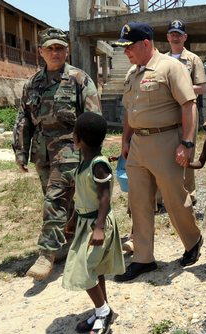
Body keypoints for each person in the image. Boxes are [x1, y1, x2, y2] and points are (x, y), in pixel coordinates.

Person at [113, 22, 203, 282]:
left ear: (146, 44)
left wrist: (186, 143)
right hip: (138, 145)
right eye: (124, 48)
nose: (126, 52)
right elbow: (130, 111)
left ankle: (192, 239)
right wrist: (125, 141)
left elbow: (189, 105)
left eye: (129, 47)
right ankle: (143, 258)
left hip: (166, 141)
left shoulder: (170, 67)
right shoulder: (132, 73)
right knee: (139, 203)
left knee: (175, 200)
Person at [12, 28, 101, 280]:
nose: (55, 52)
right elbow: (23, 119)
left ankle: (47, 253)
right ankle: (69, 241)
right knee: (64, 200)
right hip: (42, 152)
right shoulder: (32, 83)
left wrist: (92, 154)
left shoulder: (79, 79)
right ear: (40, 51)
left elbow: (93, 118)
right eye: (50, 48)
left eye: (60, 48)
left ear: (67, 50)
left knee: (54, 199)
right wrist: (21, 151)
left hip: (71, 148)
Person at [62, 112, 124, 334]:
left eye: (74, 132)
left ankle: (103, 311)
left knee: (83, 270)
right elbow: (82, 196)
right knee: (95, 270)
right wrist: (73, 219)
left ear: (79, 139)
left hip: (97, 224)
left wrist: (98, 228)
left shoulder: (99, 165)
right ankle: (102, 311)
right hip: (85, 223)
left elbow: (105, 198)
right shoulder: (85, 163)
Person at [166, 19, 206, 206]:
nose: (175, 37)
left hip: (187, 111)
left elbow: (202, 88)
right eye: (172, 34)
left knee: (187, 151)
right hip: (167, 112)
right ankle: (167, 195)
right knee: (167, 152)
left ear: (185, 37)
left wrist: (179, 88)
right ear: (167, 37)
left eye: (179, 34)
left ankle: (189, 194)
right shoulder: (161, 60)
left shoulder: (193, 59)